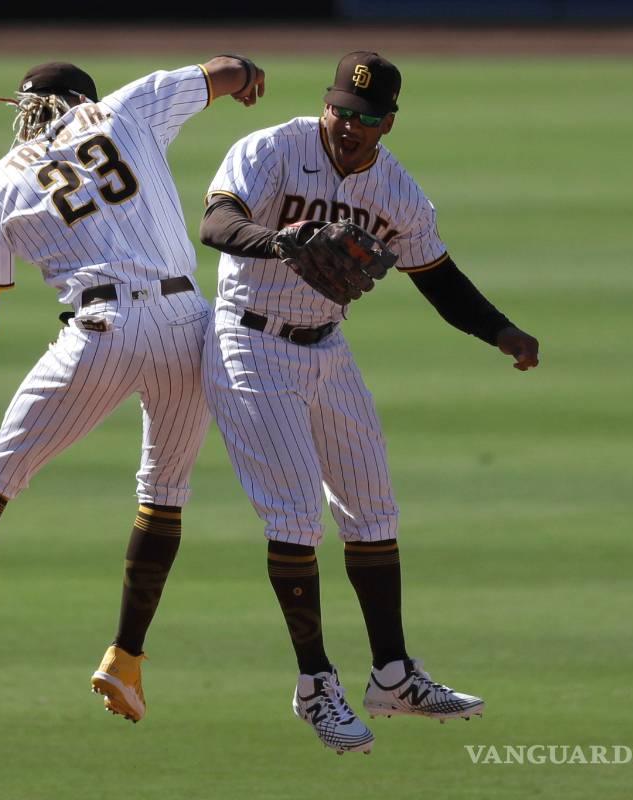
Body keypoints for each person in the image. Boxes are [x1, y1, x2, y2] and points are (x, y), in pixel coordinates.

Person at [0, 56, 266, 724]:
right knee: (165, 493)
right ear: (82, 100)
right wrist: (246, 75)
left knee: (0, 472)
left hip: (104, 328)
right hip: (189, 325)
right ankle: (126, 661)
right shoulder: (129, 107)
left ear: (28, 109)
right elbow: (228, 68)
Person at [198, 51, 539, 754]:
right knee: (296, 516)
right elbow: (217, 224)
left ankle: (393, 676)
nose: (348, 126)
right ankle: (316, 685)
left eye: (365, 118)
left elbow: (437, 277)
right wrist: (282, 240)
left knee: (373, 509)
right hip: (250, 341)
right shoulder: (273, 149)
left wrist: (501, 331)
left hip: (327, 347)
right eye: (340, 111)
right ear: (326, 104)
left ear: (388, 123)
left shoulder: (397, 191)